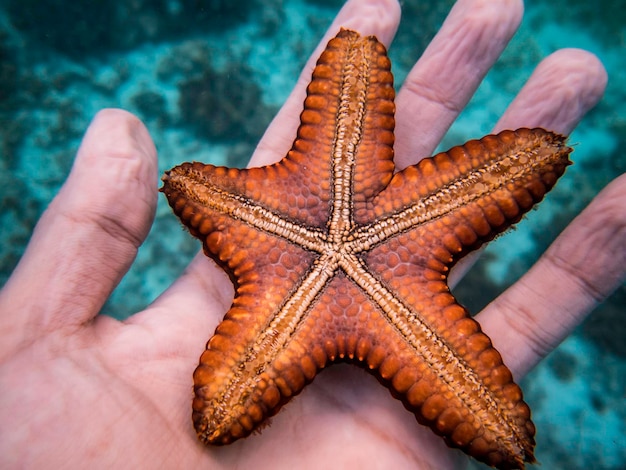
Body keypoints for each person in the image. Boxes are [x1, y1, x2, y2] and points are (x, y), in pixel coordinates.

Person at [0, 0, 623, 468]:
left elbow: (200, 189)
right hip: (350, 274)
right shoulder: (248, 216)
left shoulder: (246, 213)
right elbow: (199, 193)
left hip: (334, 264)